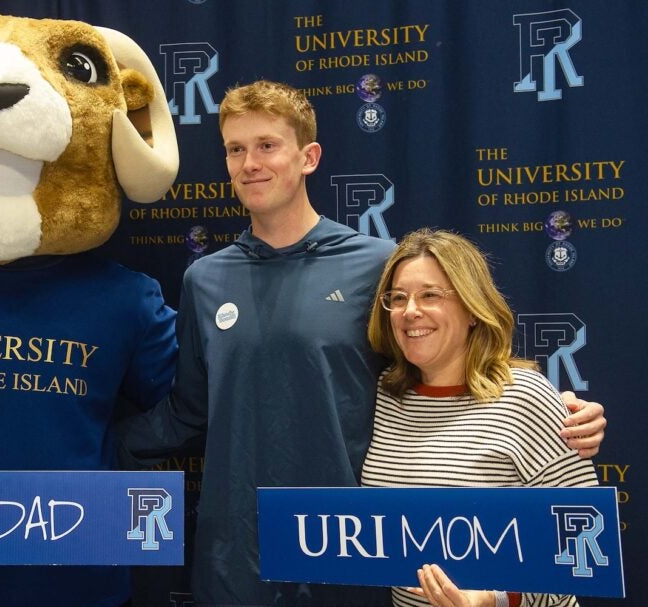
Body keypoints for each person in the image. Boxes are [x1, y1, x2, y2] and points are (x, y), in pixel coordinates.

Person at [117, 80, 606, 607]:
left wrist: (553, 412)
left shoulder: (378, 265)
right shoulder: (204, 279)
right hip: (237, 555)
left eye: (267, 145)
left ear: (309, 156)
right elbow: (190, 412)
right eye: (235, 149)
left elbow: (436, 366)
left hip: (354, 552)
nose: (249, 163)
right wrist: (90, 437)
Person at [361, 229, 598, 607]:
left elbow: (585, 548)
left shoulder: (526, 396)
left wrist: (495, 599)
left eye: (430, 295)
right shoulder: (386, 399)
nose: (409, 312)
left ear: (472, 309)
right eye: (398, 298)